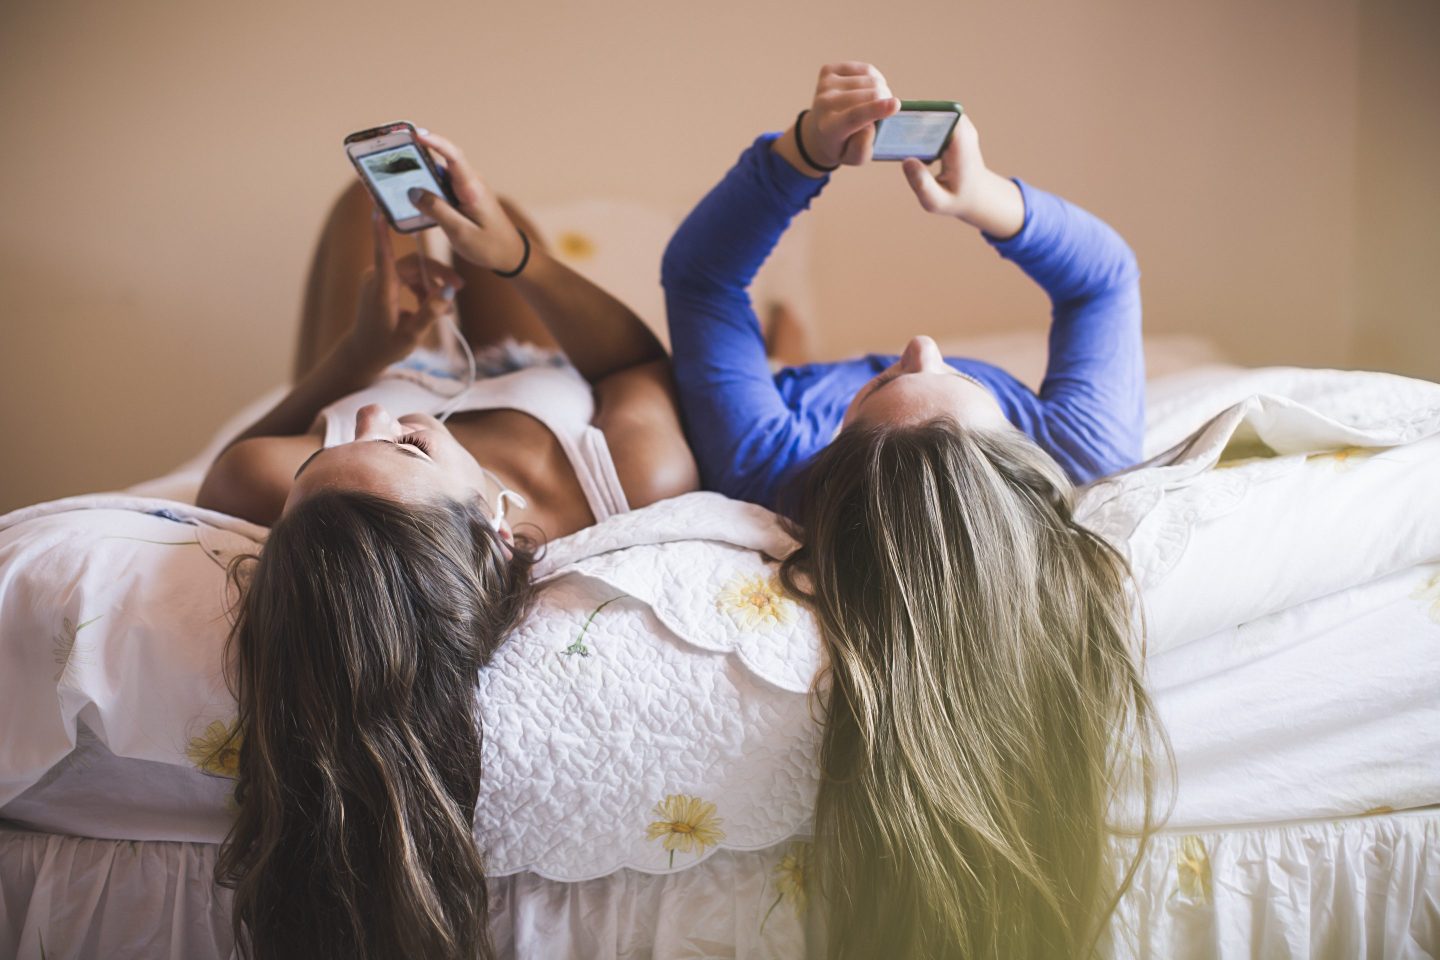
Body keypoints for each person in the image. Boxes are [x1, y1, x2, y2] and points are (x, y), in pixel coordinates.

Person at [662, 63, 1167, 959]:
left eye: (891, 381)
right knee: (776, 334)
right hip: (804, 375)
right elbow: (1104, 280)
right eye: (953, 376)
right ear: (1020, 461)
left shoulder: (774, 460)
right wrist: (988, 201)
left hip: (788, 386)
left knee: (763, 344)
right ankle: (789, 332)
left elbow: (701, 280)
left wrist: (801, 155)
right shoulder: (1076, 447)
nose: (921, 342)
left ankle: (790, 340)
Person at [197, 131, 698, 960]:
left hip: (379, 354)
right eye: (405, 447)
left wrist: (360, 356)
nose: (372, 420)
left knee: (364, 201)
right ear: (491, 527)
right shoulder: (631, 477)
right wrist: (518, 259)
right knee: (485, 217)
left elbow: (234, 462)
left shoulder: (272, 476)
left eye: (319, 458)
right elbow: (636, 361)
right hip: (533, 369)